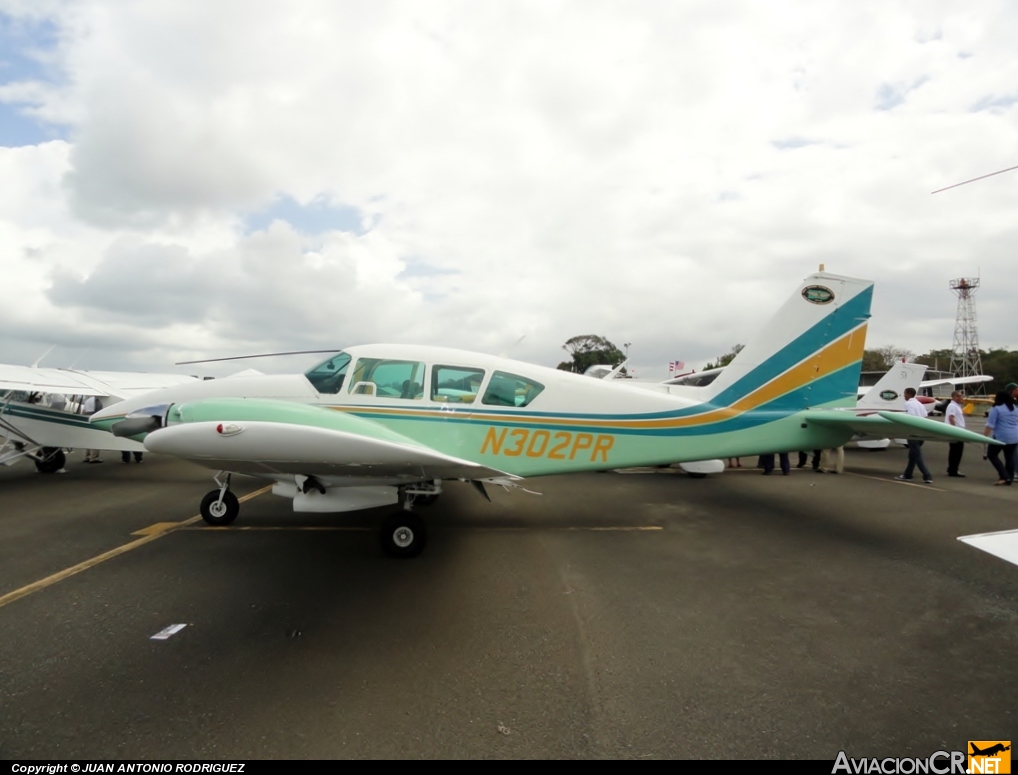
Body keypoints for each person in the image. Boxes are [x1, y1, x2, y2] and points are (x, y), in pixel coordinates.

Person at [896, 387, 932, 483]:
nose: (904, 395)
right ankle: (907, 475)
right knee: (912, 455)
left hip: (913, 433)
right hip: (921, 432)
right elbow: (925, 416)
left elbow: (909, 418)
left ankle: (927, 476)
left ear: (908, 394)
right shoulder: (920, 404)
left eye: (905, 393)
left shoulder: (908, 404)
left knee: (916, 455)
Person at [983, 390, 1018, 485]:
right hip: (1014, 436)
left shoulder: (996, 408)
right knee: (1009, 458)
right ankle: (1009, 478)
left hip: (1001, 436)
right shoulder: (1014, 407)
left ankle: (1004, 476)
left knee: (992, 455)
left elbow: (990, 425)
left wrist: (984, 437)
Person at [944, 390, 967, 477]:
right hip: (956, 431)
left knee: (954, 451)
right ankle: (953, 470)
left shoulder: (956, 406)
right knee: (957, 452)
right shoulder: (953, 406)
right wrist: (955, 430)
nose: (960, 397)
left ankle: (951, 468)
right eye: (958, 396)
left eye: (961, 396)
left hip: (958, 431)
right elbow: (951, 418)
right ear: (953, 397)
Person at [82, 395, 103, 464]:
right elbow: (100, 413)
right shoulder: (98, 402)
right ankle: (94, 457)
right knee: (96, 440)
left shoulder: (87, 401)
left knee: (88, 440)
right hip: (94, 422)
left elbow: (83, 412)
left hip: (87, 421)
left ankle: (87, 456)